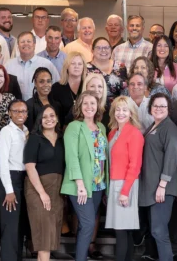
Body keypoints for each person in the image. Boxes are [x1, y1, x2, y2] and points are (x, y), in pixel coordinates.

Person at [63, 92, 108, 261]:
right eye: (85, 103)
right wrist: (80, 185)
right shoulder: (75, 126)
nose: (89, 107)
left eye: (92, 103)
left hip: (98, 185)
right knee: (88, 223)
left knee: (87, 224)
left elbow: (104, 156)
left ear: (98, 106)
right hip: (80, 185)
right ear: (79, 107)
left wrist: (106, 186)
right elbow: (71, 157)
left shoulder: (101, 127)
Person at [139, 93, 177, 261]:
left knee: (159, 230)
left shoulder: (170, 128)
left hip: (162, 188)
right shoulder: (152, 126)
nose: (158, 109)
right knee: (155, 230)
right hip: (151, 187)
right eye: (155, 106)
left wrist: (163, 184)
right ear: (150, 108)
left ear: (168, 109)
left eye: (163, 106)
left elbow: (171, 157)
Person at [103, 96, 145, 261]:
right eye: (118, 109)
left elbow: (135, 166)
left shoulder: (134, 134)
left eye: (124, 110)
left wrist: (125, 191)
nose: (120, 113)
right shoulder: (113, 132)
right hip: (114, 183)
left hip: (126, 184)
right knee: (124, 230)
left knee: (121, 230)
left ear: (131, 113)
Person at [23, 106, 66, 261]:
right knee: (44, 236)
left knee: (49, 238)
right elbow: (29, 166)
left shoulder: (62, 138)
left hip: (57, 190)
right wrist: (42, 193)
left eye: (52, 115)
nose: (49, 119)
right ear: (40, 120)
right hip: (38, 189)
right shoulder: (35, 138)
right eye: (45, 116)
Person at [0, 100, 29, 261]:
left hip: (23, 178)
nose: (20, 114)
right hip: (9, 179)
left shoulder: (26, 131)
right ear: (9, 113)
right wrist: (9, 190)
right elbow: (2, 162)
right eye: (16, 111)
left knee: (20, 227)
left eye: (23, 111)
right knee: (10, 228)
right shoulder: (6, 132)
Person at [7, 32, 60, 100]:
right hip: (16, 108)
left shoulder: (47, 64)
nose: (26, 44)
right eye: (22, 41)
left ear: (34, 45)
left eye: (29, 41)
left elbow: (57, 87)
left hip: (41, 108)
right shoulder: (8, 65)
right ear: (18, 46)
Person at [48, 51, 87, 125]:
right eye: (73, 63)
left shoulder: (88, 86)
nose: (76, 66)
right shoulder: (56, 88)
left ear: (83, 67)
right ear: (67, 66)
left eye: (80, 64)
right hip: (62, 129)